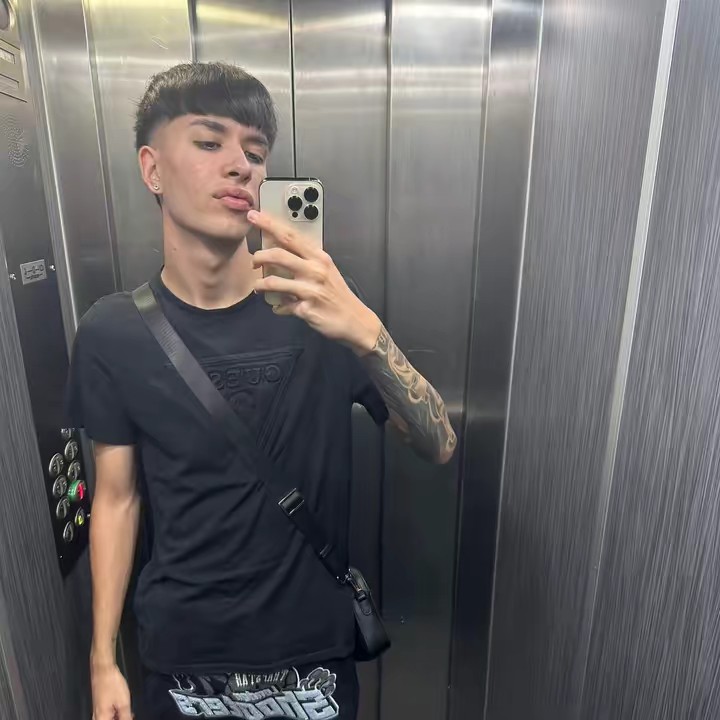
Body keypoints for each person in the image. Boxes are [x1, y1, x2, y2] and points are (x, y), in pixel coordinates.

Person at [67, 62, 456, 720]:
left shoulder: (321, 311)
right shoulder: (113, 333)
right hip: (183, 663)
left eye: (255, 152)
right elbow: (115, 498)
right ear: (152, 169)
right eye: (209, 141)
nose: (240, 166)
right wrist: (103, 661)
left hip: (314, 660)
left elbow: (438, 442)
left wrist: (366, 333)